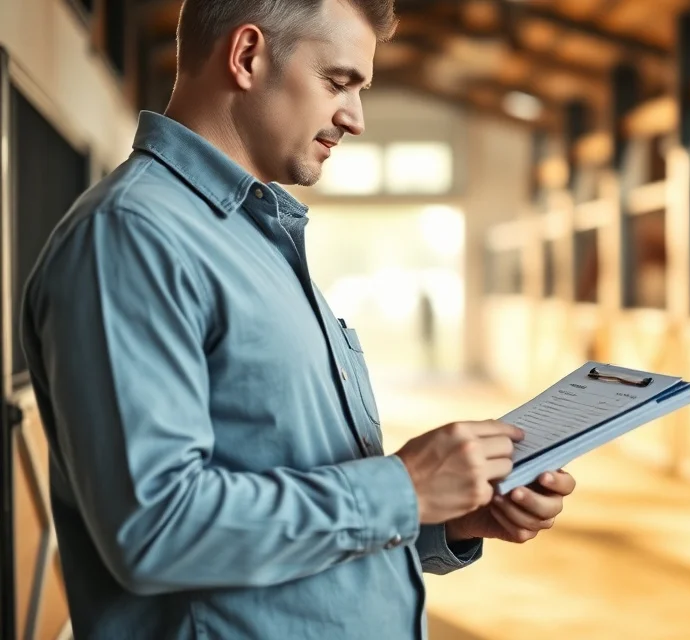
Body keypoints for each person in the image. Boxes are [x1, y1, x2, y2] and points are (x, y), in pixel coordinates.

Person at [19, 1, 574, 638]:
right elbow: (156, 529)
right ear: (247, 56)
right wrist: (403, 489)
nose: (356, 119)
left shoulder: (257, 240)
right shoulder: (133, 238)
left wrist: (437, 517)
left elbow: (279, 498)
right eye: (338, 83)